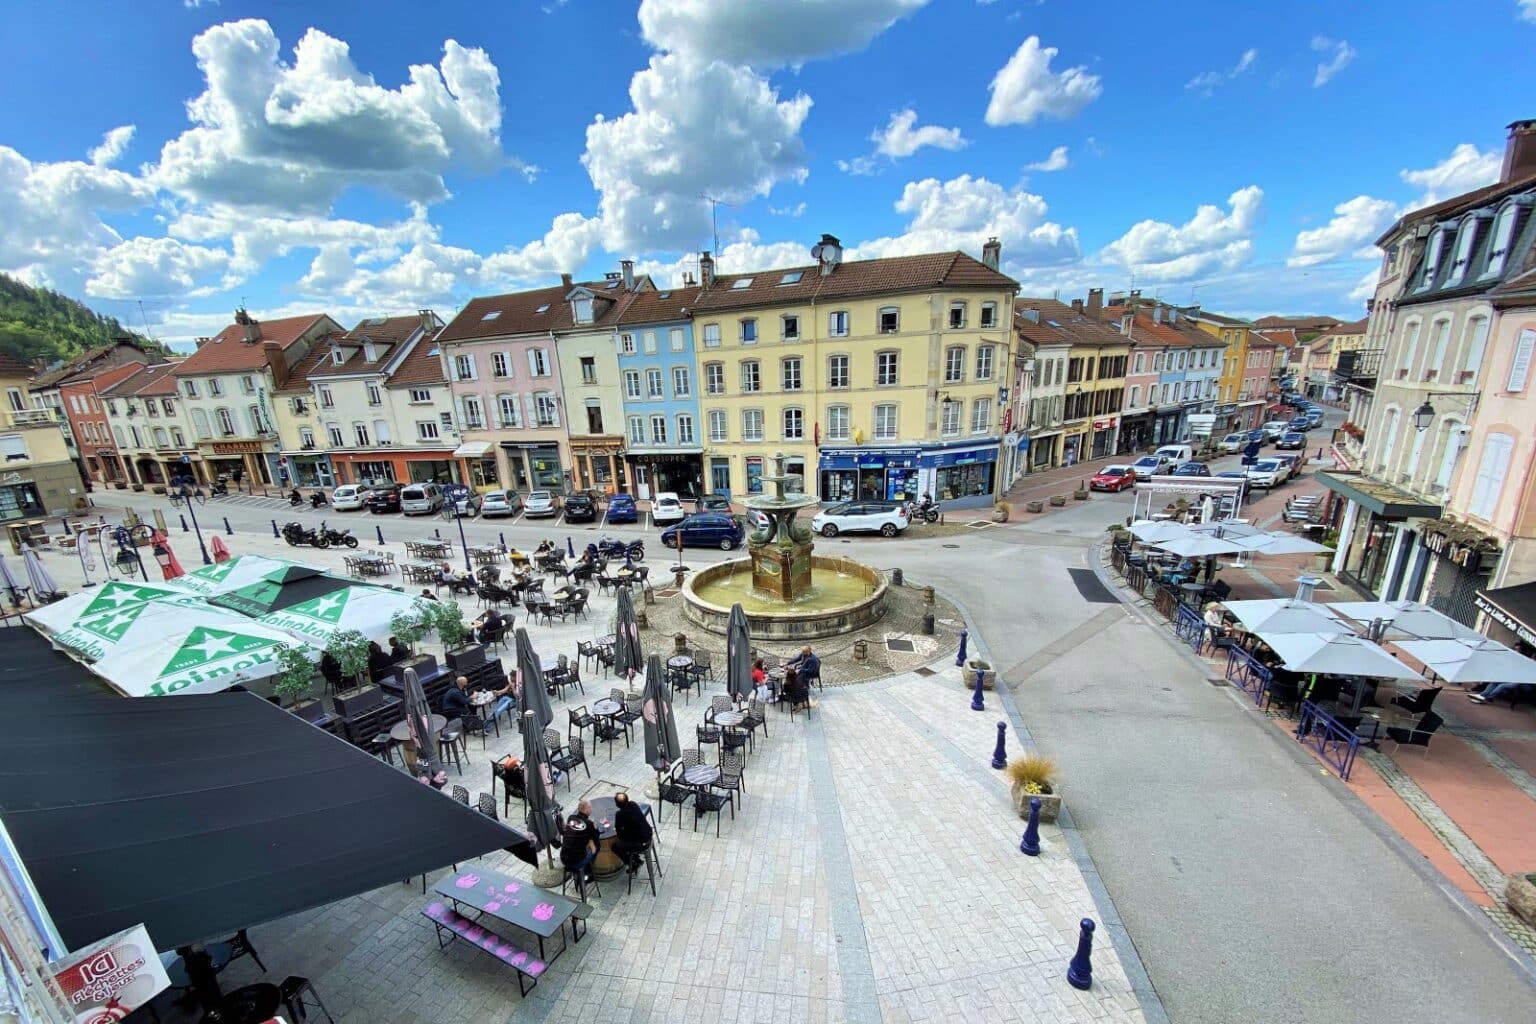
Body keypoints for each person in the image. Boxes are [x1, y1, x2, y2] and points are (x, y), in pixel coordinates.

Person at [611, 792, 652, 874]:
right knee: (628, 840)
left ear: (617, 805)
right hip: (648, 834)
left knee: (616, 846)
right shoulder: (633, 804)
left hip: (641, 843)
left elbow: (619, 833)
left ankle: (633, 864)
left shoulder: (620, 814)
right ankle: (636, 858)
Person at [559, 800, 599, 884]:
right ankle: (588, 873)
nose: (591, 809)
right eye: (590, 807)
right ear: (587, 810)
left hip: (563, 858)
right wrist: (594, 827)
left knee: (583, 843)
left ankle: (582, 871)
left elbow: (577, 832)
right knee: (596, 847)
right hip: (576, 862)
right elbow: (596, 836)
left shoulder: (571, 817)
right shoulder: (589, 823)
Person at [1469, 682, 1535, 704]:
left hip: (1521, 684)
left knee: (1502, 685)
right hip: (1513, 680)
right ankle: (1482, 695)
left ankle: (1486, 698)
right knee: (1495, 682)